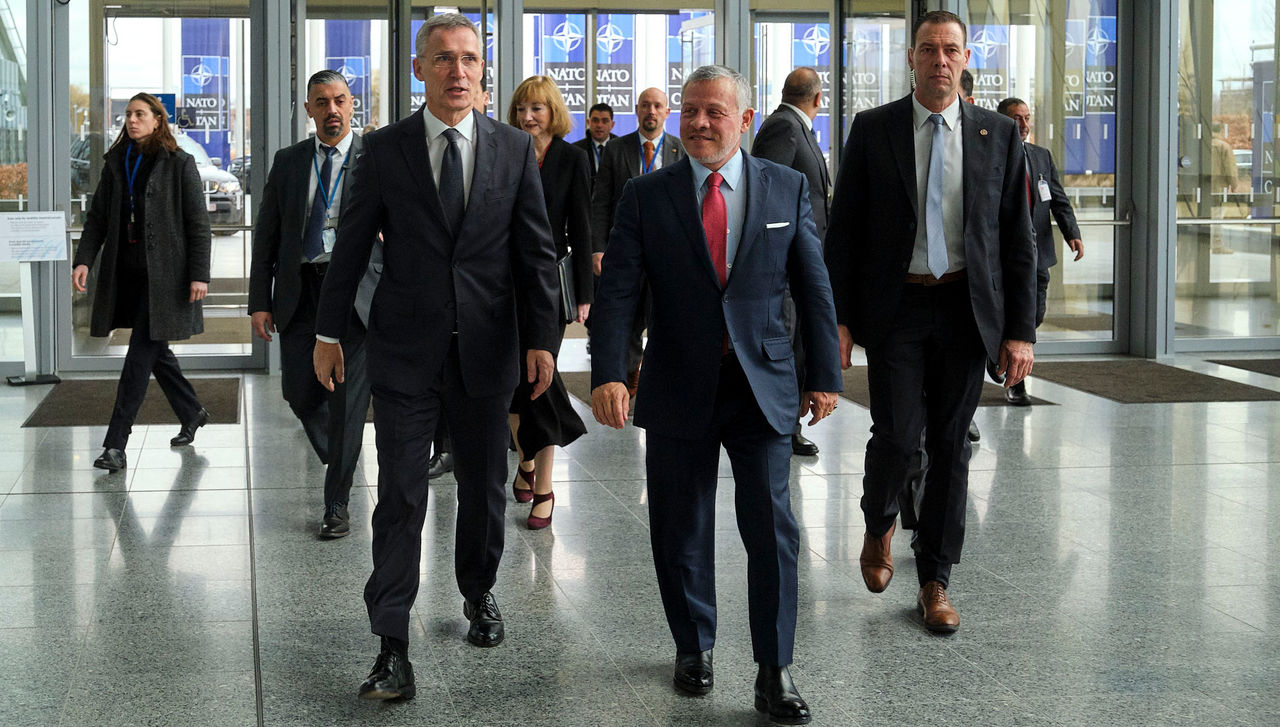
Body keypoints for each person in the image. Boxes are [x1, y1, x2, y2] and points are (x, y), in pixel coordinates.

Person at [311, 13, 560, 700]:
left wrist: (543, 338)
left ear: (485, 70)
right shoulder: (384, 149)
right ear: (419, 69)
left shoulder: (513, 148)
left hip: (489, 348)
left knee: (483, 485)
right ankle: (391, 641)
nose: (459, 71)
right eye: (444, 58)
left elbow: (536, 252)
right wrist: (328, 333)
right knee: (400, 494)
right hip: (404, 349)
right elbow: (353, 244)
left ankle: (478, 590)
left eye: (470, 59)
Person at [591, 65, 841, 725]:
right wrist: (611, 370)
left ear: (744, 120)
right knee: (680, 527)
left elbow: (813, 284)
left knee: (774, 530)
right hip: (677, 382)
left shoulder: (784, 188)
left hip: (762, 384)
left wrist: (826, 374)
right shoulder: (648, 195)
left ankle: (774, 668)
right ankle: (693, 644)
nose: (699, 123)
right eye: (691, 111)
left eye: (714, 112)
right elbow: (617, 290)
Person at [824, 11, 1037, 634]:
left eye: (951, 50)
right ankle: (878, 519)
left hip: (966, 312)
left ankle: (936, 579)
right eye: (928, 49)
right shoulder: (873, 129)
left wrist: (1019, 331)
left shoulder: (999, 134)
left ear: (966, 59)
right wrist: (836, 319)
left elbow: (1017, 240)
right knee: (897, 436)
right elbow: (844, 235)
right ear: (910, 58)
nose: (939, 60)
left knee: (950, 446)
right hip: (898, 308)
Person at [248, 70, 381, 538]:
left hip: (358, 294)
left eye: (340, 100)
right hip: (302, 290)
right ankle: (340, 459)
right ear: (308, 110)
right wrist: (259, 300)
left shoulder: (376, 155)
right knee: (299, 392)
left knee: (348, 402)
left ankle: (337, 502)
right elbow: (267, 235)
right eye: (321, 102)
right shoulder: (288, 162)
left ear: (352, 104)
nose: (332, 111)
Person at [72, 92, 212, 473]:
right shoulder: (117, 161)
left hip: (165, 277)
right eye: (128, 115)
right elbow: (98, 217)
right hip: (128, 274)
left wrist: (200, 273)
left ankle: (115, 444)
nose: (132, 120)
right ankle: (192, 410)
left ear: (157, 120)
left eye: (140, 114)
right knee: (154, 349)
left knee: (138, 355)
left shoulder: (179, 163)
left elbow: (198, 224)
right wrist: (84, 259)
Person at [505, 75, 592, 528]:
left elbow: (581, 227)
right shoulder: (506, 151)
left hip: (549, 286)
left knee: (541, 382)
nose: (527, 117)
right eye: (521, 109)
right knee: (516, 390)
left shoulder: (572, 159)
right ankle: (524, 461)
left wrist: (584, 296)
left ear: (552, 112)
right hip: (504, 286)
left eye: (536, 108)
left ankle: (545, 488)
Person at [750, 66, 832, 458]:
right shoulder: (784, 127)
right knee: (788, 341)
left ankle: (790, 422)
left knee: (800, 342)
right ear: (818, 98)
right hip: (783, 260)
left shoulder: (797, 127)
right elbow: (767, 187)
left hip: (801, 259)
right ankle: (784, 423)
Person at [589, 87, 685, 396]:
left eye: (658, 105)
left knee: (663, 317)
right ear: (637, 109)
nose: (651, 111)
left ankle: (658, 374)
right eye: (645, 105)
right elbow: (601, 201)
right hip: (626, 250)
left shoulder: (679, 150)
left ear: (667, 112)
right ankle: (629, 376)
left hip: (667, 254)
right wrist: (598, 248)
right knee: (627, 319)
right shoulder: (617, 150)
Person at [998, 97, 1084, 405]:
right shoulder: (993, 153)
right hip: (1003, 254)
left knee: (1034, 313)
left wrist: (1072, 233)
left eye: (1026, 118)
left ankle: (1006, 352)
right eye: (1016, 118)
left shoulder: (1041, 156)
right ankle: (1015, 380)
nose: (1023, 124)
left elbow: (1058, 199)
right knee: (1007, 313)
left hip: (1038, 251)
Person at [1209, 122, 1239, 254]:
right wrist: (1234, 184)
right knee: (1216, 216)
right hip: (1218, 187)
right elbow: (1230, 168)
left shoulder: (1200, 144)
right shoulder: (1223, 146)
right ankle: (1217, 245)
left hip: (1199, 187)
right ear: (1220, 131)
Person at [572, 102, 617, 182]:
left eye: (605, 121)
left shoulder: (621, 149)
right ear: (588, 122)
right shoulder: (576, 150)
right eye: (595, 120)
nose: (599, 125)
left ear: (612, 125)